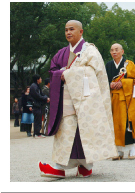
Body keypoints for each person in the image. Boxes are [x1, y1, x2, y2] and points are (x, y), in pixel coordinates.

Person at [39, 20, 118, 178]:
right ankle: (59, 166)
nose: (68, 32)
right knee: (67, 131)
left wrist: (68, 73)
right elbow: (53, 70)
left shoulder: (90, 51)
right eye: (66, 30)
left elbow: (97, 74)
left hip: (87, 101)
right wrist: (60, 74)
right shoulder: (61, 53)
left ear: (81, 32)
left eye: (72, 29)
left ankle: (86, 164)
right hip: (66, 102)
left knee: (85, 131)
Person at [106, 43, 135, 160]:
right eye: (112, 50)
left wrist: (123, 83)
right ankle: (118, 151)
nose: (114, 52)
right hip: (112, 98)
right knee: (115, 125)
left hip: (126, 98)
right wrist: (109, 84)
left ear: (122, 51)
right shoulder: (108, 65)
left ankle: (131, 149)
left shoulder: (129, 64)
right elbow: (102, 80)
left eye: (116, 49)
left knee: (126, 123)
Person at [29, 74, 49, 138]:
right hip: (36, 105)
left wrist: (46, 98)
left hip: (38, 105)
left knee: (39, 119)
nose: (41, 79)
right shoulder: (33, 86)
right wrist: (45, 98)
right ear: (37, 79)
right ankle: (36, 133)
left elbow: (42, 94)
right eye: (40, 78)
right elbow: (37, 96)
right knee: (37, 119)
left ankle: (38, 132)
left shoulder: (37, 86)